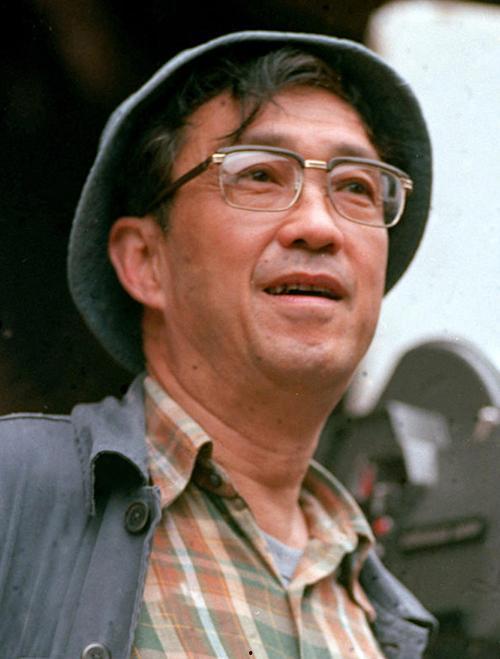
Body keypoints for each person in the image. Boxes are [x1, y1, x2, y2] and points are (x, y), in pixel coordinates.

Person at [0, 31, 436, 658]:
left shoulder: (382, 620)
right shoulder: (17, 492)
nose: (320, 225)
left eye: (357, 187)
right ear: (146, 261)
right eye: (258, 174)